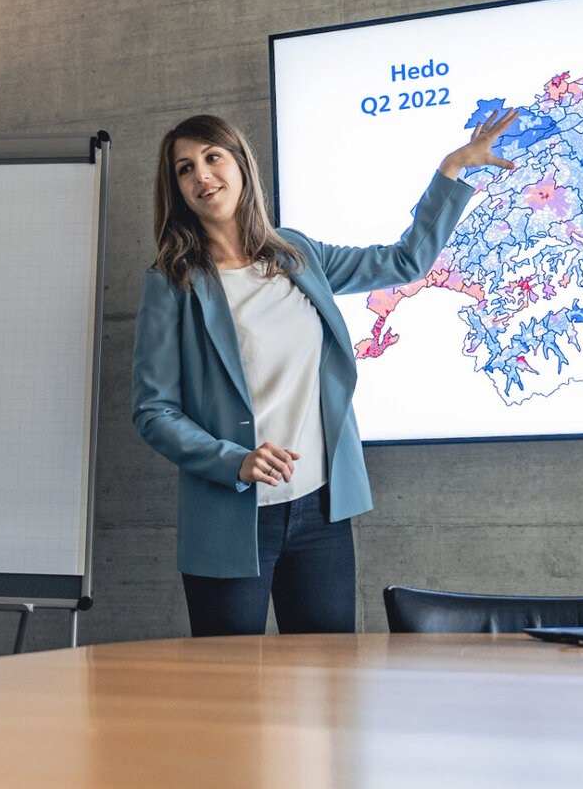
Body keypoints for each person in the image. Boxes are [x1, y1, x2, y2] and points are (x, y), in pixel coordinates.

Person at [131, 110, 516, 636]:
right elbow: (153, 410)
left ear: (241, 164)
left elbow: (405, 262)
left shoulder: (298, 254)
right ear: (175, 189)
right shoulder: (172, 283)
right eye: (184, 168)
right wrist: (235, 461)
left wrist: (450, 171)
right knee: (229, 693)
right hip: (231, 517)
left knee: (328, 685)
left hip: (320, 510)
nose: (201, 175)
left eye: (212, 157)